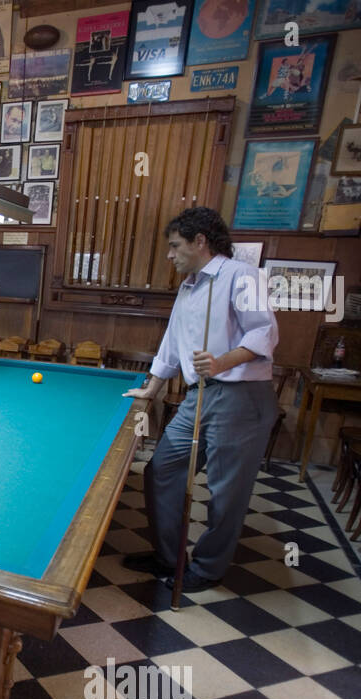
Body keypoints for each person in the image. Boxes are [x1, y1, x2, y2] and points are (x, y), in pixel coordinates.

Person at [122, 207, 279, 592]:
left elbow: (265, 334)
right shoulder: (189, 285)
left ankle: (208, 569)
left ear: (199, 242)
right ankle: (169, 557)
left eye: (175, 246)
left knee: (226, 491)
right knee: (162, 469)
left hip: (241, 397)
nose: (169, 255)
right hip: (199, 395)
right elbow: (172, 345)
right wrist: (152, 389)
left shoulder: (239, 276)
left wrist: (223, 360)